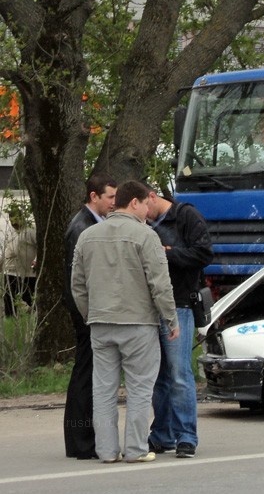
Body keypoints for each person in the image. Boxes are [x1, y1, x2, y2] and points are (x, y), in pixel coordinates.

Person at [71, 180, 179, 464]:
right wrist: (170, 318)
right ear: (134, 203)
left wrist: (89, 315)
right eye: (146, 204)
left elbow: (78, 285)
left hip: (100, 323)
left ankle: (106, 451)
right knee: (140, 388)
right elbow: (160, 283)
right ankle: (136, 449)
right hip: (138, 323)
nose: (148, 210)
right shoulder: (145, 236)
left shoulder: (88, 236)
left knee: (103, 389)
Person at [145, 188, 212, 459]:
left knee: (179, 374)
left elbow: (204, 254)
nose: (141, 215)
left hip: (180, 304)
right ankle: (161, 434)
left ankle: (187, 437)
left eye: (141, 206)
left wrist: (167, 254)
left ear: (151, 196)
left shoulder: (186, 216)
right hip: (151, 308)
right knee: (158, 376)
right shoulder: (145, 224)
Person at [63, 173, 117, 459]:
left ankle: (79, 441)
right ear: (94, 197)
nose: (113, 202)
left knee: (86, 373)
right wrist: (86, 314)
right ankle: (82, 442)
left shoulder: (89, 224)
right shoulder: (82, 227)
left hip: (86, 310)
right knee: (86, 375)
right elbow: (77, 280)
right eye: (110, 197)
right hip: (85, 312)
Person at [2, 203, 37, 316]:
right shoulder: (11, 233)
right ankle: (10, 320)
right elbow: (6, 251)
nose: (14, 224)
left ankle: (37, 315)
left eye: (17, 220)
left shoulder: (30, 231)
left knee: (30, 298)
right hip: (10, 272)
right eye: (12, 221)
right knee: (9, 300)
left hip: (28, 273)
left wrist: (37, 260)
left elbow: (41, 246)